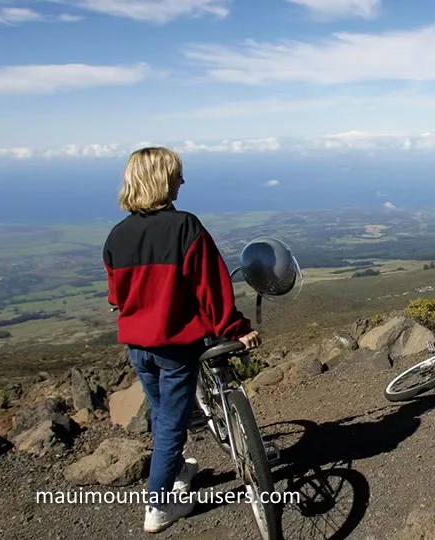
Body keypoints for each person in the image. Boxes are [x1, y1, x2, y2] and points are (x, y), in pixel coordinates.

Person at [102, 147, 260, 533]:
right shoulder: (185, 227)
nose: (182, 181)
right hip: (174, 346)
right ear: (160, 180)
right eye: (177, 175)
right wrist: (237, 328)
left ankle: (177, 471)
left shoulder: (117, 236)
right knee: (171, 425)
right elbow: (213, 289)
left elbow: (116, 296)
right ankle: (158, 507)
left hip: (138, 347)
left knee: (162, 415)